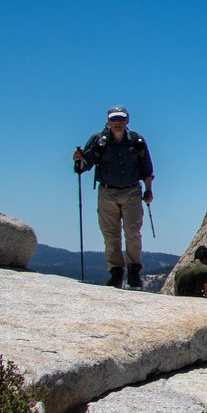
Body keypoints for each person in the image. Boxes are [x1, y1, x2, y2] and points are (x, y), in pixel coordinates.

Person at [72, 106, 155, 289]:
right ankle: (116, 272)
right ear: (108, 121)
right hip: (107, 192)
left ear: (127, 120)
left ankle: (133, 272)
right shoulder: (98, 141)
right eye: (114, 119)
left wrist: (148, 191)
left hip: (132, 191)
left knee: (133, 232)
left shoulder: (137, 141)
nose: (117, 122)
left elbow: (147, 169)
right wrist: (79, 160)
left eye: (121, 118)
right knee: (111, 235)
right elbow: (85, 165)